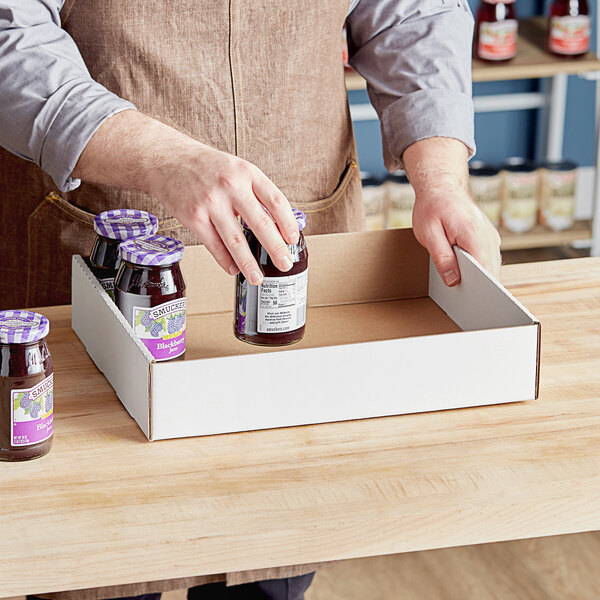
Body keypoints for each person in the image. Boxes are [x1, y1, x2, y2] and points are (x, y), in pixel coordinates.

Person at [0, 0, 501, 598]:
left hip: (299, 232)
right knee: (100, 548)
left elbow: (416, 14)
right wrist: (163, 155)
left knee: (275, 544)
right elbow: (11, 32)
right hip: (101, 238)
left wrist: (440, 180)